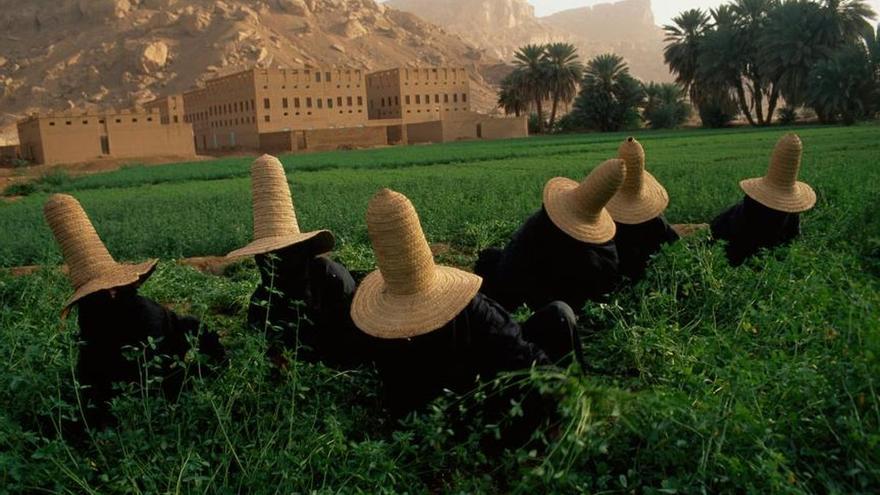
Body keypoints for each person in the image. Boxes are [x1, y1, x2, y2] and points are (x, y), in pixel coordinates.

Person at [350, 188, 584, 419]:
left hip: (446, 417)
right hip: (486, 409)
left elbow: (400, 402)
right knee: (558, 316)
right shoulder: (473, 309)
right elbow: (519, 353)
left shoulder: (379, 330)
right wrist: (565, 394)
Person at [44, 194, 224, 429]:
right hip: (150, 394)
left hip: (149, 384)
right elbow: (96, 373)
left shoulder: (111, 313)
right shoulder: (119, 313)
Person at [227, 155, 367, 368]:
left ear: (301, 250)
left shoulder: (330, 278)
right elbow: (262, 350)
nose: (273, 263)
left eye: (283, 253)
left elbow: (354, 340)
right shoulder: (262, 301)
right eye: (266, 256)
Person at [475, 159, 625, 312]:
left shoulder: (541, 223)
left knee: (489, 259)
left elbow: (511, 268)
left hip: (537, 299)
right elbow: (606, 287)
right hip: (567, 302)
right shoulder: (606, 248)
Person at [711, 134, 816, 266]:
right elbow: (736, 248)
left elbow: (792, 239)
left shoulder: (791, 213)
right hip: (726, 238)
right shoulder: (750, 207)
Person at [606, 137, 679, 281]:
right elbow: (676, 246)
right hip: (651, 278)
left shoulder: (607, 220)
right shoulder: (656, 221)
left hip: (616, 282)